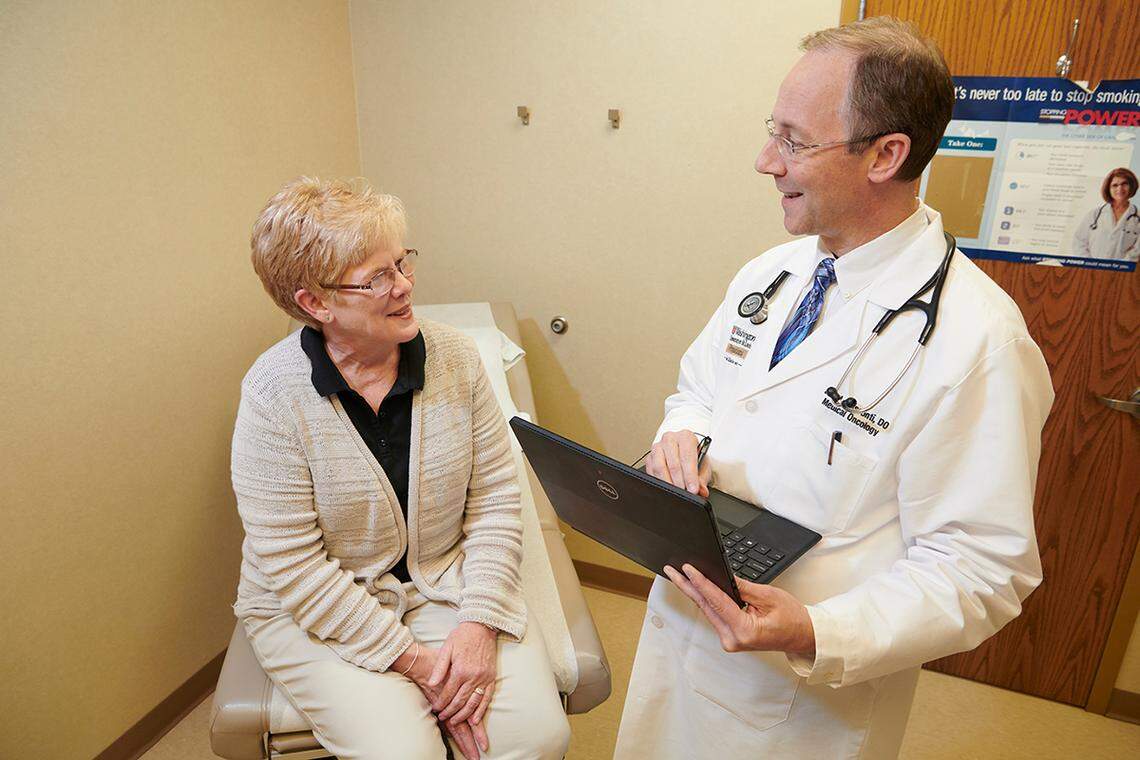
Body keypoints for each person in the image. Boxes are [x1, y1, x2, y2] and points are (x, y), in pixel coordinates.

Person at [614, 18, 1053, 759]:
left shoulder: (979, 341)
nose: (764, 160)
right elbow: (698, 389)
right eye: (771, 130)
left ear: (886, 155)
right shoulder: (771, 274)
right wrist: (680, 435)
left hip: (797, 704)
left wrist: (818, 631)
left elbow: (983, 569)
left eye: (794, 140)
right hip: (683, 635)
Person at [231, 177, 570, 760]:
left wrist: (478, 626)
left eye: (402, 263)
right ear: (316, 304)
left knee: (537, 737)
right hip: (315, 608)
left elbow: (493, 500)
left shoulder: (456, 359)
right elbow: (295, 566)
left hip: (445, 581)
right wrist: (418, 664)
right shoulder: (272, 396)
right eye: (378, 278)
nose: (405, 286)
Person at [1072, 167, 1140, 262]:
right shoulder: (1094, 214)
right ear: (1108, 189)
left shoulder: (1138, 217)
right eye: (1114, 185)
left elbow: (1137, 250)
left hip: (1123, 272)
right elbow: (1079, 242)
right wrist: (1090, 264)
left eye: (1124, 184)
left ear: (1132, 186)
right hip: (1091, 270)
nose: (1119, 188)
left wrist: (1120, 266)